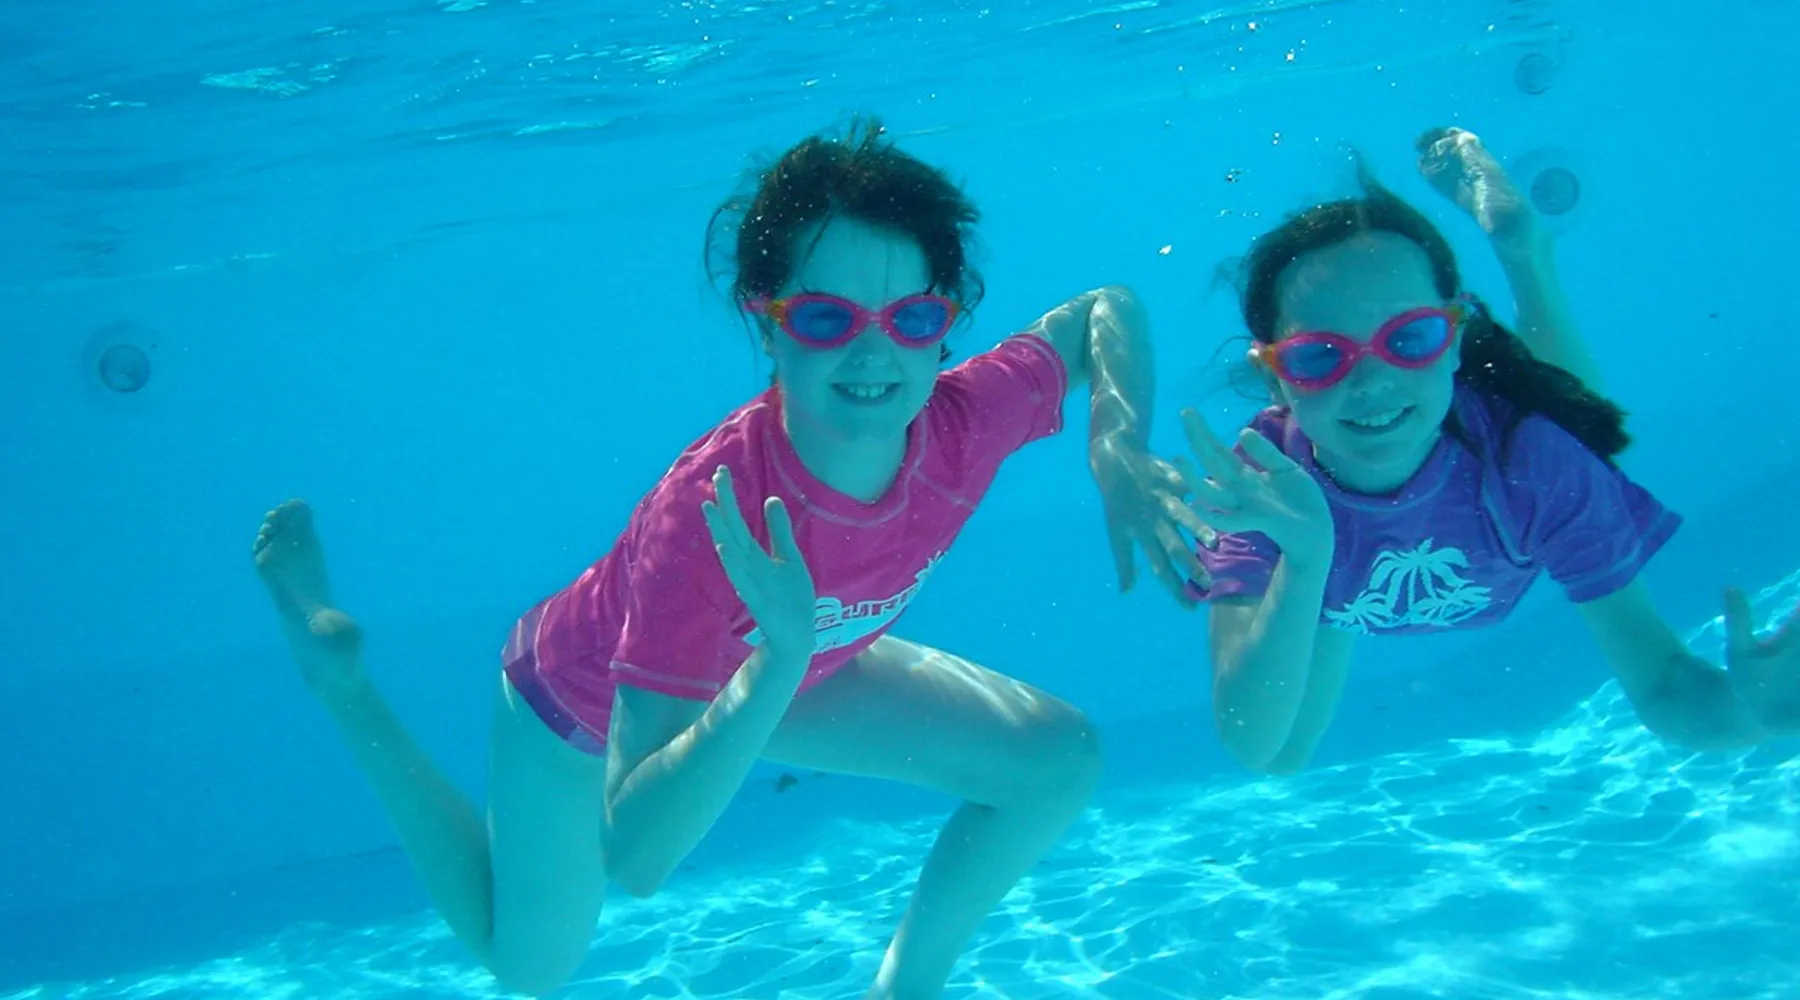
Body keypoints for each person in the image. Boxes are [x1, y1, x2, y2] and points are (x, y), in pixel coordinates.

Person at [251, 118, 1199, 999]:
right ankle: (344, 686)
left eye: (910, 318)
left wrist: (1116, 444)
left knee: (1056, 761)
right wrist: (773, 666)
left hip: (788, 665)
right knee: (529, 968)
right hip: (581, 704)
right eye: (825, 318)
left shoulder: (962, 422)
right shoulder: (710, 519)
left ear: (945, 321)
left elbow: (1103, 311)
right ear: (767, 319)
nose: (874, 355)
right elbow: (636, 854)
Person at [1172, 127, 1800, 775]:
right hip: (1336, 581)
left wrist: (1755, 714)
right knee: (1286, 758)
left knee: (1572, 420)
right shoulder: (1266, 489)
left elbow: (1662, 682)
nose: (1371, 382)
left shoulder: (1531, 464)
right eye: (1320, 356)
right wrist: (1307, 562)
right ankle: (1516, 256)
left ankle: (1526, 254)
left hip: (1499, 466)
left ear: (1453, 340)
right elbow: (1254, 745)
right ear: (1275, 377)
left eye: (1410, 338)